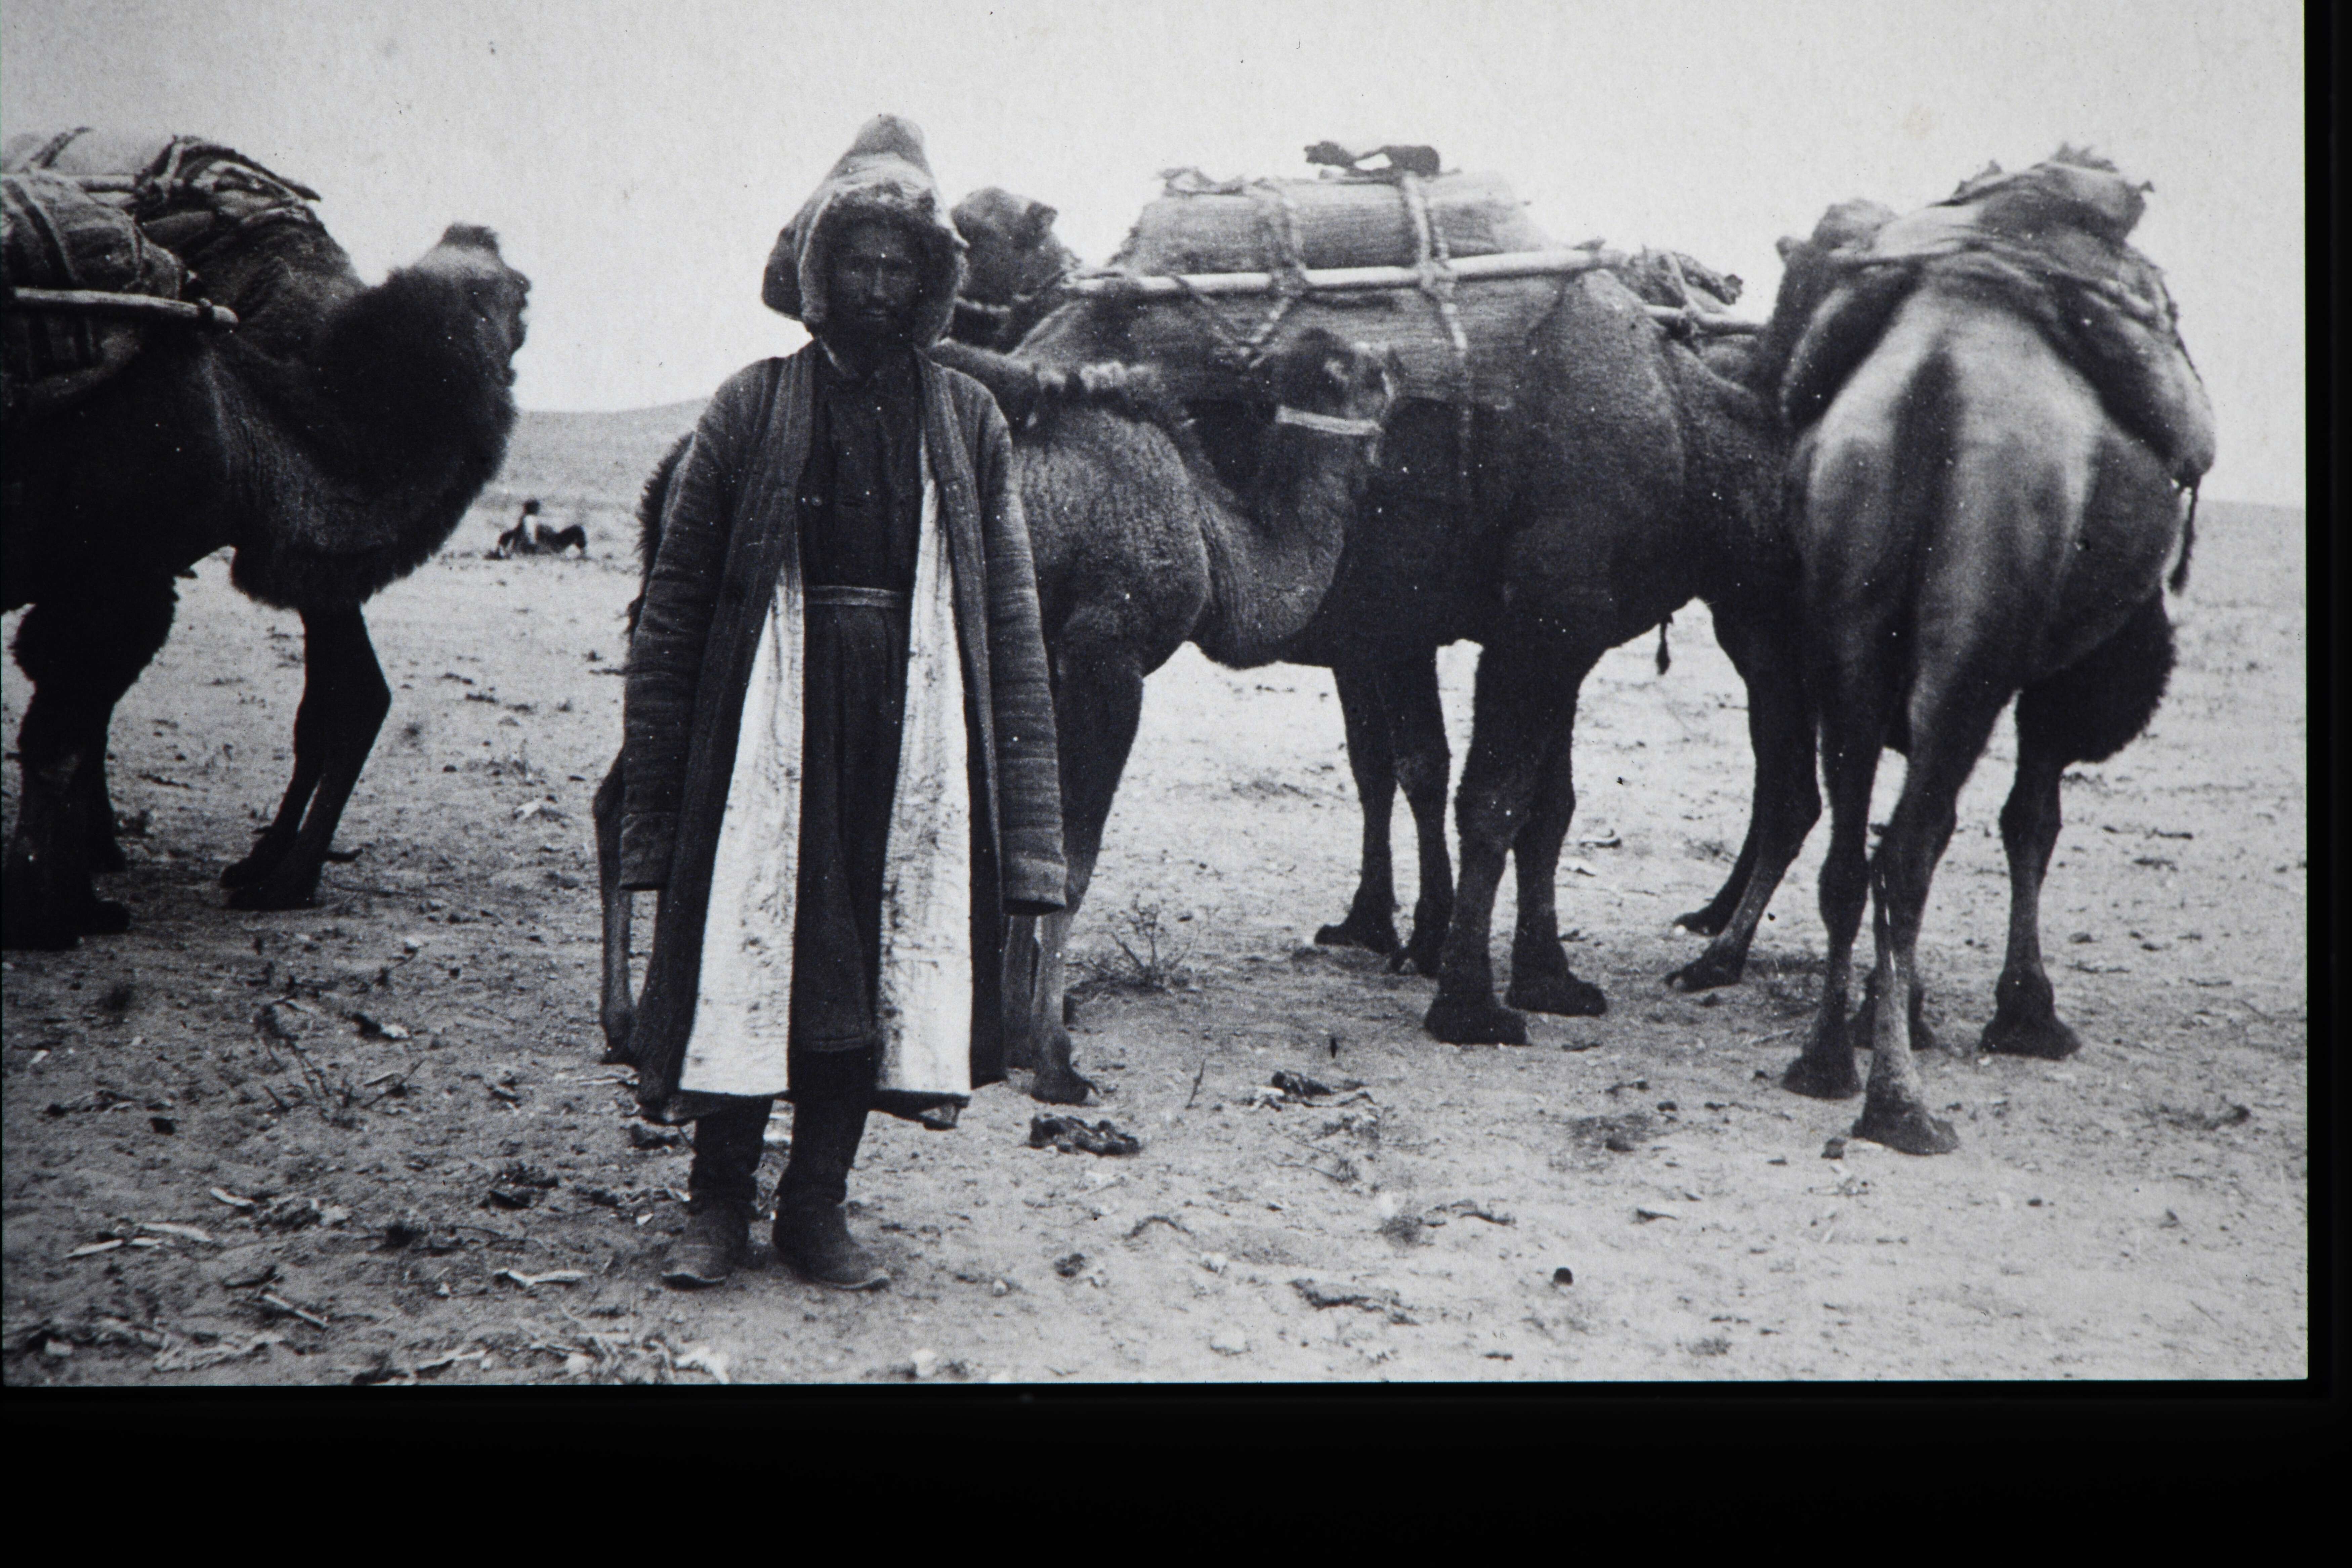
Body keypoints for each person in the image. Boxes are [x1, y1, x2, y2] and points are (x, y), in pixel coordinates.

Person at [618, 115, 1066, 1291]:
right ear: (820, 274)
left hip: (909, 733)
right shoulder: (750, 405)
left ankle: (817, 1204)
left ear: (928, 286)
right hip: (765, 729)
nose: (876, 285)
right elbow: (674, 613)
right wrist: (655, 799)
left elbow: (1011, 627)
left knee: (870, 969)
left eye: (897, 267)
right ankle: (717, 1204)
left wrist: (1032, 844)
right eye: (856, 261)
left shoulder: (967, 421)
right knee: (744, 948)